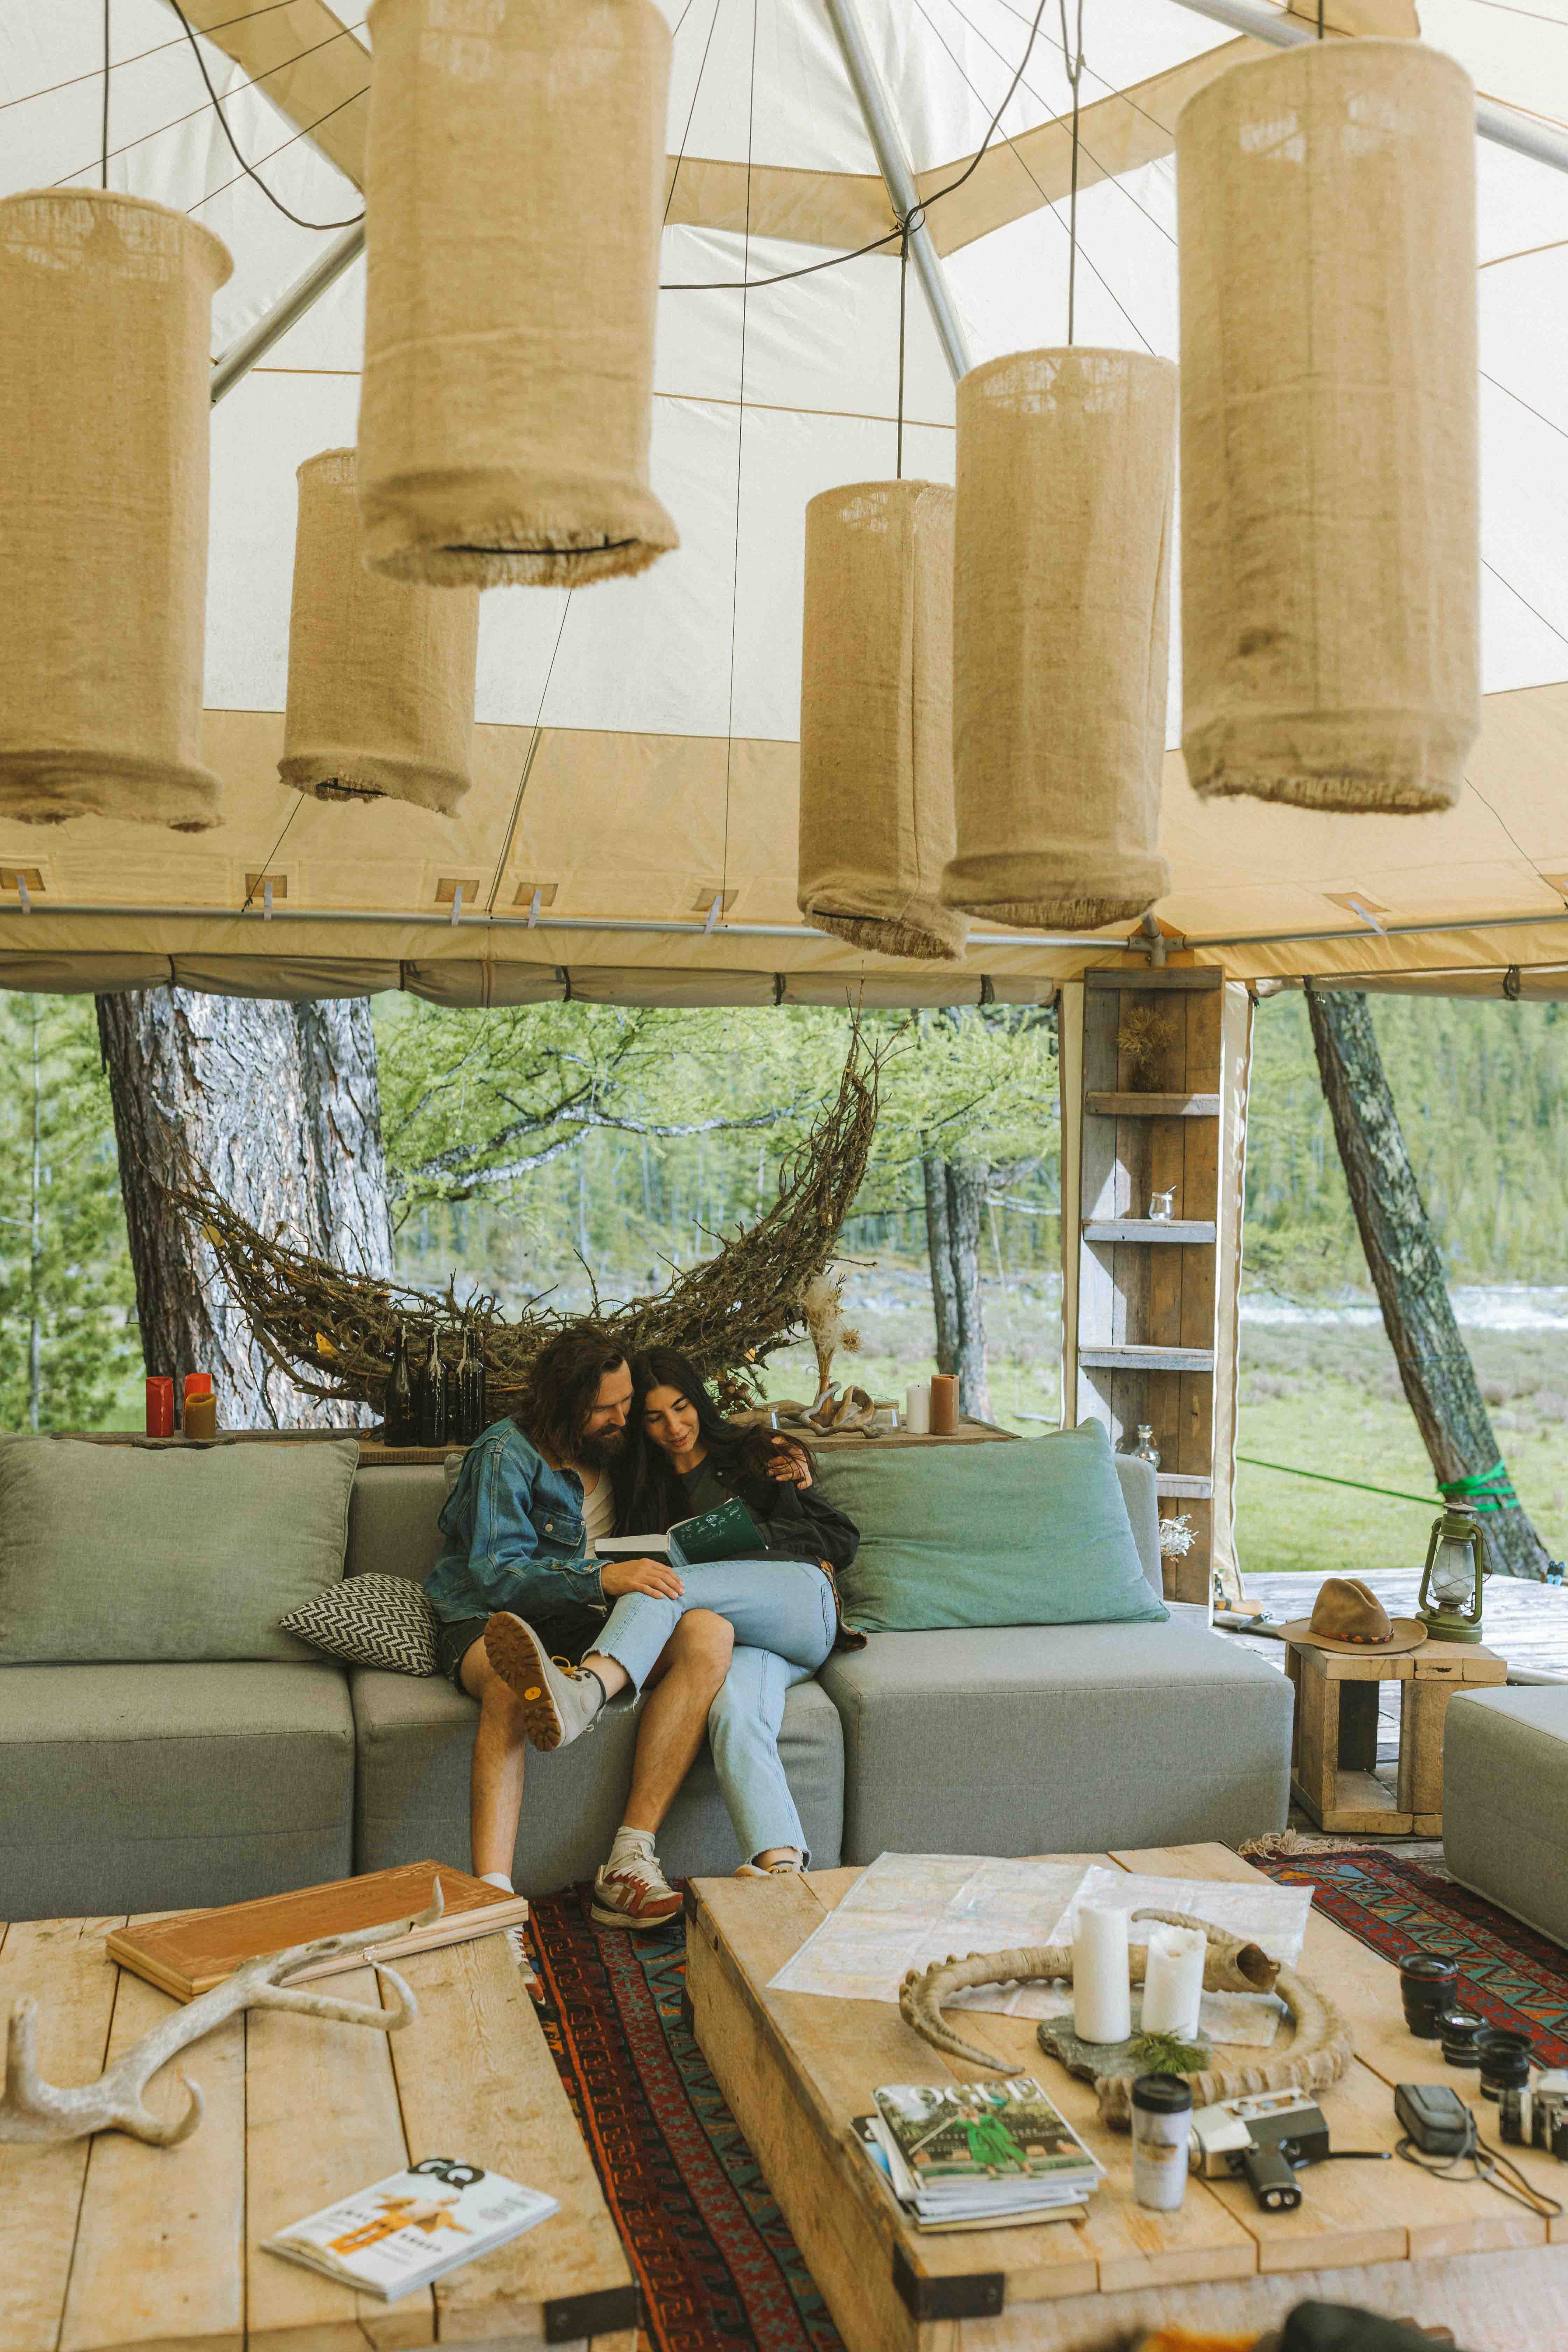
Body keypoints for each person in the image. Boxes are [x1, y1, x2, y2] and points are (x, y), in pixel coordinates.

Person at [426, 1325, 845, 1929]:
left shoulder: (621, 1447)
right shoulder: (504, 1455)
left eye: (628, 1405)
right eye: (609, 1408)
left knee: (708, 1632)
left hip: (589, 1617)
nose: (623, 1420)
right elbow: (495, 1575)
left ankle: (628, 1860)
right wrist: (605, 1578)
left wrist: (784, 1448)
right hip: (494, 1616)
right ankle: (491, 1903)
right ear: (564, 1403)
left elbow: (704, 1436)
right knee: (514, 1684)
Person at [616, 1347, 864, 1878]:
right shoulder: (643, 1488)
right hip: (746, 1645)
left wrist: (759, 1541)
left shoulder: (756, 1454)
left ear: (698, 1402)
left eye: (681, 1408)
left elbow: (841, 1538)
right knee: (735, 1714)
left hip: (799, 1607)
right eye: (655, 1418)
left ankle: (588, 1687)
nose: (674, 1428)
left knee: (661, 1585)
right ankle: (781, 1868)